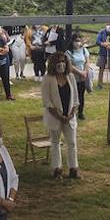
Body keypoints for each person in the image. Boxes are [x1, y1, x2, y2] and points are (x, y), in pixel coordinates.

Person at [40, 51, 80, 179]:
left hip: (69, 117)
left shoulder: (71, 77)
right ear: (53, 64)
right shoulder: (47, 79)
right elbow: (46, 101)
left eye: (63, 61)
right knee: (55, 142)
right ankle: (57, 168)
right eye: (58, 62)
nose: (61, 64)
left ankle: (73, 168)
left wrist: (70, 115)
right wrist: (59, 116)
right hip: (54, 117)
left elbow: (75, 100)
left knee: (72, 143)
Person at [67, 35, 91, 121]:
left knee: (81, 95)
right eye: (76, 41)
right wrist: (80, 73)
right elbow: (70, 66)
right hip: (73, 77)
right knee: (73, 95)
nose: (78, 43)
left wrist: (85, 72)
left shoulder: (84, 50)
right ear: (72, 41)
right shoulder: (68, 52)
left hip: (83, 78)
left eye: (79, 41)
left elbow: (87, 62)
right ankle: (71, 111)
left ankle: (80, 112)